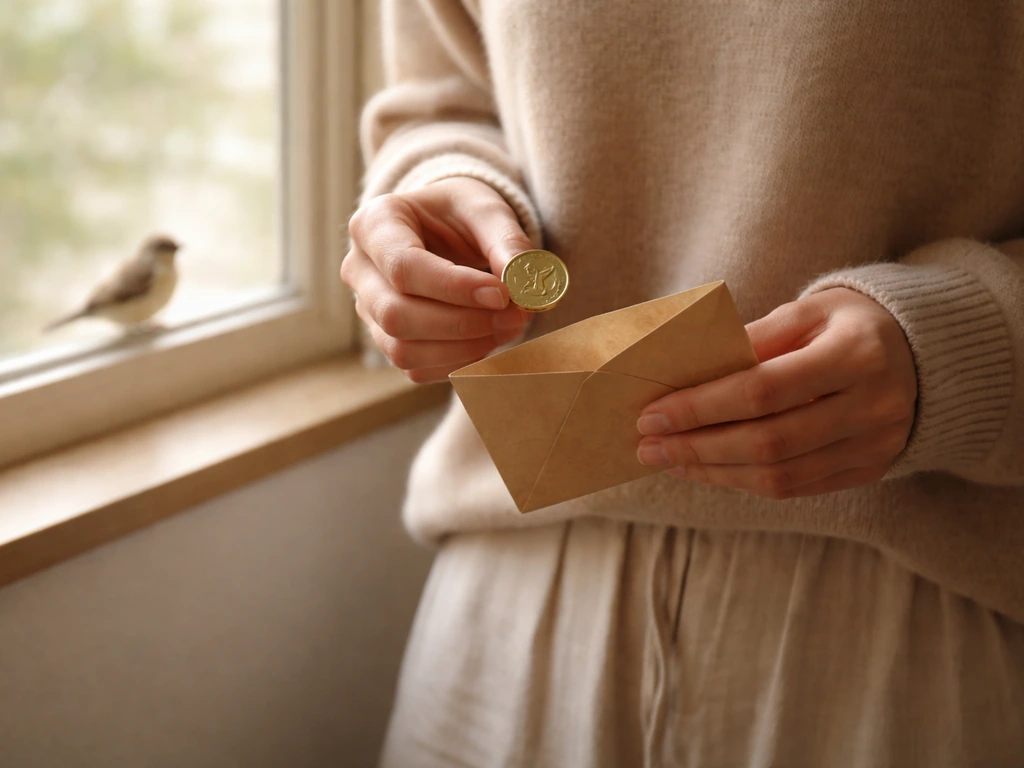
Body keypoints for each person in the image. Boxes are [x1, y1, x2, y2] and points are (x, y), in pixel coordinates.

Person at [341, 1, 1024, 765]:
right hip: (516, 601)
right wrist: (441, 190)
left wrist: (974, 344)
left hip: (922, 618)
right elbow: (446, 101)